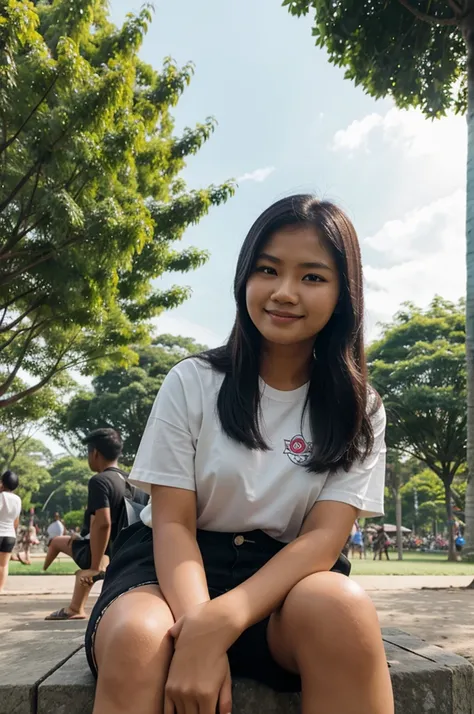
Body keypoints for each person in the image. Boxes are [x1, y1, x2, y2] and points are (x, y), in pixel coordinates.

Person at [85, 195, 394, 714]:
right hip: (168, 574)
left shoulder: (360, 408)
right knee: (138, 639)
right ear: (244, 277)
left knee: (344, 611)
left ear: (345, 294)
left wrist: (221, 624)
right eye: (267, 269)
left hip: (286, 586)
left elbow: (323, 538)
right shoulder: (192, 382)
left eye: (313, 277)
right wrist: (198, 625)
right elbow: (174, 524)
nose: (285, 292)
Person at [44, 428, 148, 620]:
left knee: (82, 562)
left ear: (95, 453)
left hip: (110, 551)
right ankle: (76, 607)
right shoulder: (134, 481)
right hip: (132, 547)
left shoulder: (100, 481)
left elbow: (103, 523)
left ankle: (75, 608)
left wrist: (95, 565)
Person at [0, 470, 22, 594]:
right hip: (9, 535)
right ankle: (0, 589)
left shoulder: (1, 496)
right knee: (3, 565)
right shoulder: (18, 499)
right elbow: (16, 521)